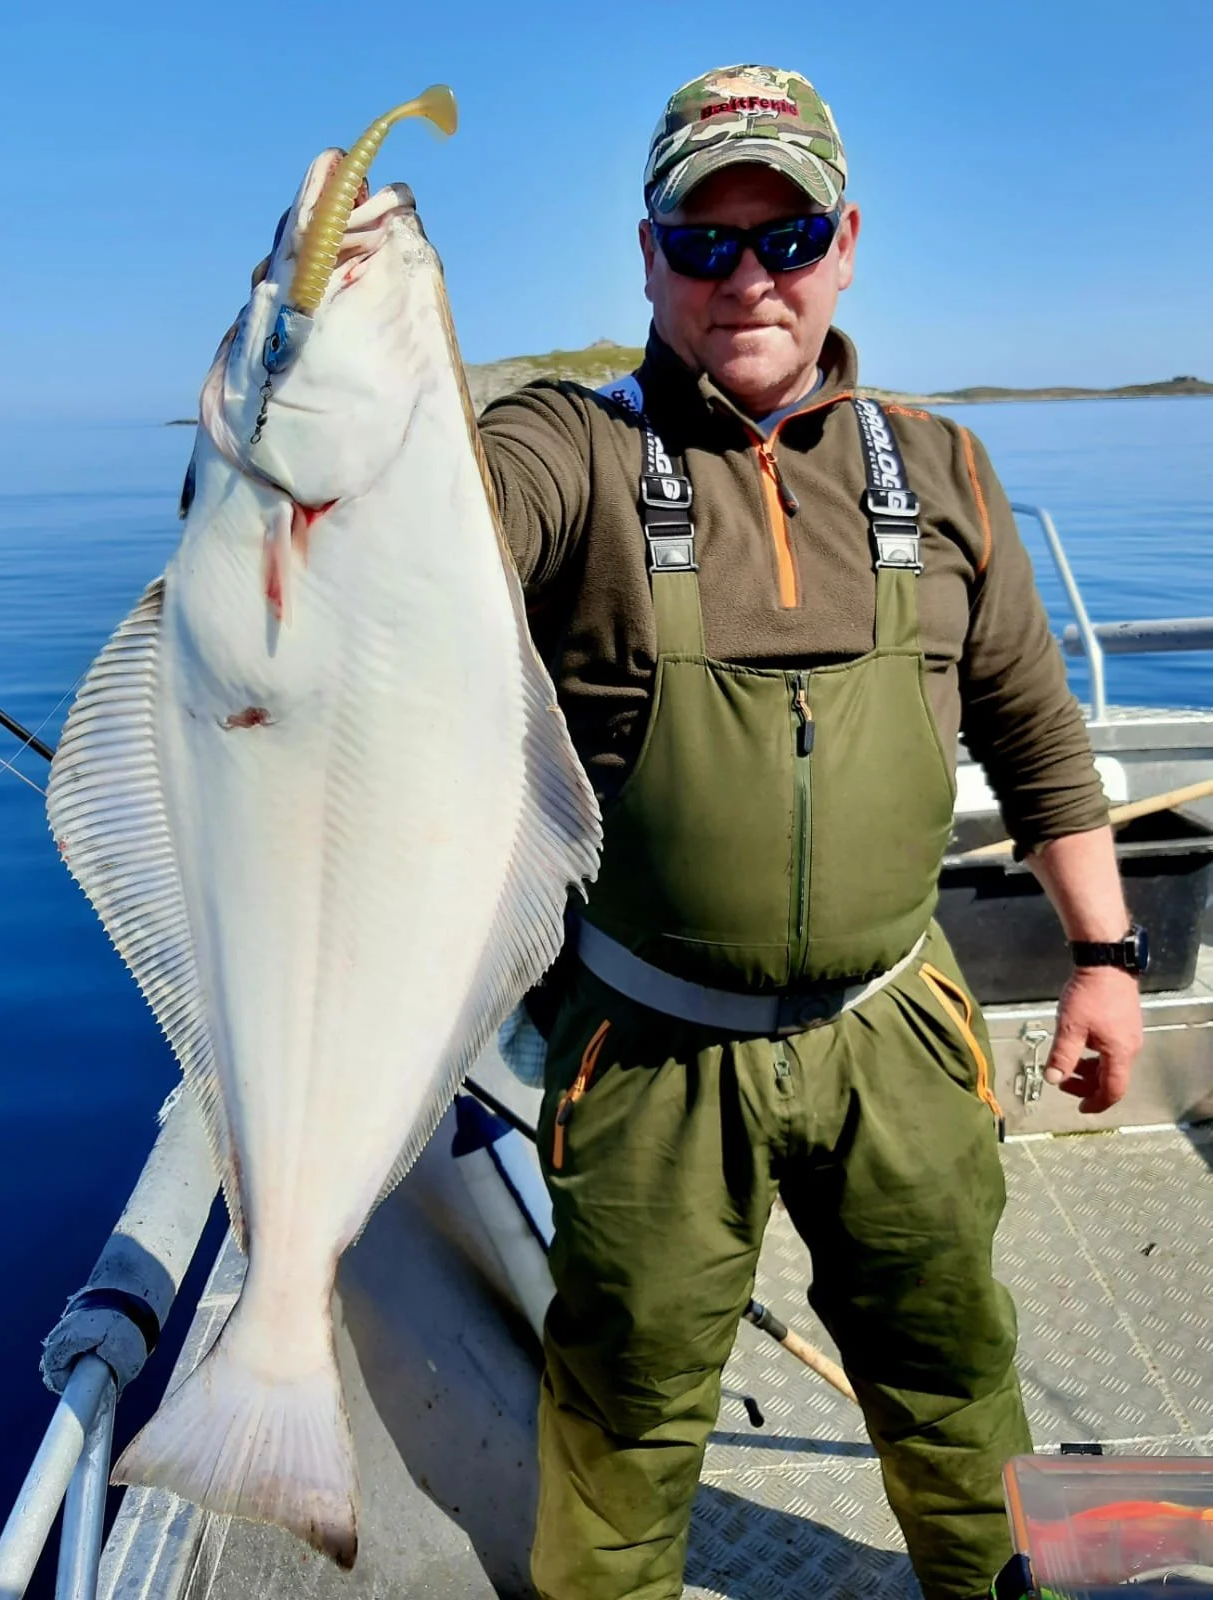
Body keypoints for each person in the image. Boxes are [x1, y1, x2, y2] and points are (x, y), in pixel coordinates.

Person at [478, 64, 1146, 1600]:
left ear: (845, 242)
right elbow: (444, 523)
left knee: (953, 1368)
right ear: (647, 258)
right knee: (624, 1412)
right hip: (645, 1047)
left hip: (894, 1029)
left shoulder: (943, 467)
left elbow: (1037, 737)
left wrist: (1104, 956)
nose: (746, 279)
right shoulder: (566, 455)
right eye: (702, 244)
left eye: (782, 235)